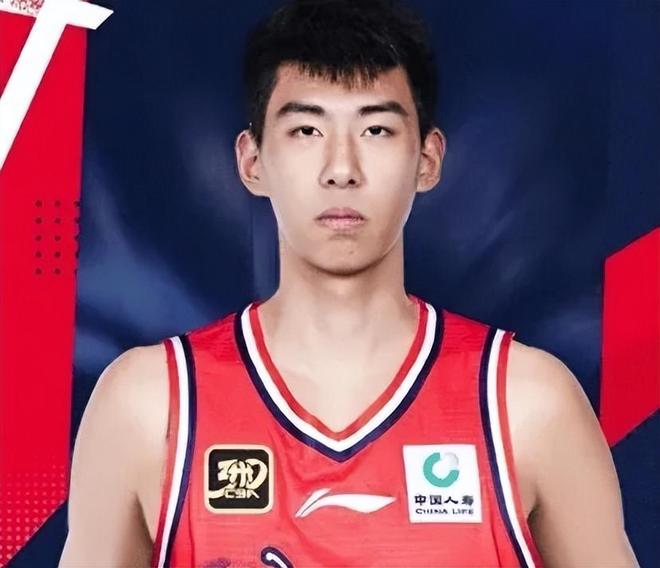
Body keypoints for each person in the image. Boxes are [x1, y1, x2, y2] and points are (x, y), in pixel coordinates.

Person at [59, 0, 639, 566]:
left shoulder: (527, 404)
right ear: (252, 161)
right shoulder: (149, 406)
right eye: (306, 130)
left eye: (376, 129)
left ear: (428, 159)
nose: (341, 169)